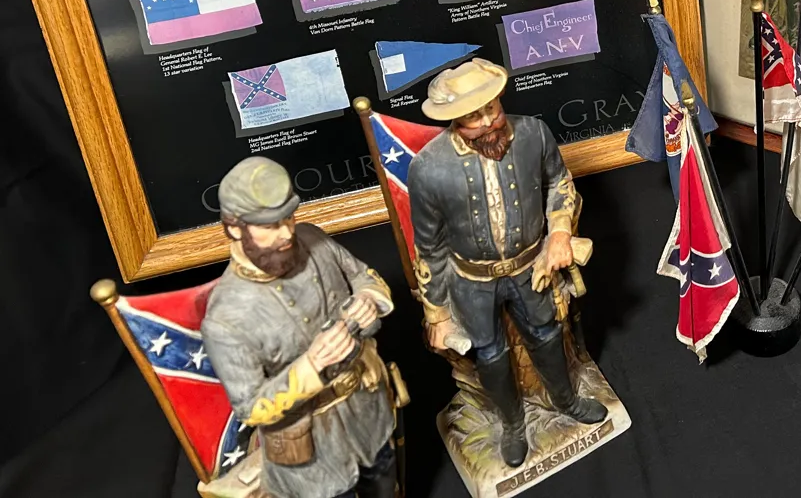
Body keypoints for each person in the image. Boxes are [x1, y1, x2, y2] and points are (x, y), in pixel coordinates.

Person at [411, 60, 606, 468]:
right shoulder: (428, 168)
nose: (487, 122)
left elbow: (559, 182)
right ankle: (513, 424)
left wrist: (559, 233)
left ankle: (565, 400)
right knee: (490, 354)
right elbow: (429, 246)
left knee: (547, 334)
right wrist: (437, 313)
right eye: (473, 116)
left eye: (492, 109)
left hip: (531, 267)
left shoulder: (533, 133)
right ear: (454, 120)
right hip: (471, 281)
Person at [202, 158, 400, 498]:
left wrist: (369, 298)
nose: (286, 233)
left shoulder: (312, 238)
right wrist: (312, 365)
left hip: (368, 414)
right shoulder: (225, 319)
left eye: (288, 218)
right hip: (310, 454)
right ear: (235, 228)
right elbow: (250, 408)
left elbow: (362, 275)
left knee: (385, 486)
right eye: (270, 226)